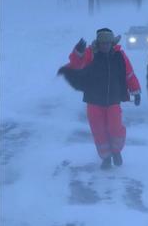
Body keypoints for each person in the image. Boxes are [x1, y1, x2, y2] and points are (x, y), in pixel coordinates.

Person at [58, 28, 141, 170]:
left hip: (113, 100)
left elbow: (129, 74)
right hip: (94, 101)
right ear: (98, 43)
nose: (105, 46)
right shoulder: (90, 54)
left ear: (112, 43)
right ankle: (106, 157)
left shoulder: (119, 56)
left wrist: (136, 91)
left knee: (115, 129)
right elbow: (76, 64)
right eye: (102, 43)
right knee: (99, 131)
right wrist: (78, 52)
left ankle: (116, 152)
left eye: (108, 43)